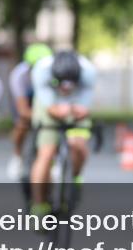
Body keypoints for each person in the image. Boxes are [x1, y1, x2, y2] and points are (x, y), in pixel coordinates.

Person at [28, 50, 97, 217]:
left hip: (76, 101)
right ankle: (39, 206)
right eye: (60, 84)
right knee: (46, 152)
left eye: (69, 85)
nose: (65, 89)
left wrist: (77, 112)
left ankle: (74, 177)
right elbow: (50, 108)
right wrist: (59, 111)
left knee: (78, 144)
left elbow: (84, 108)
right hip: (49, 104)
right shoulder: (41, 71)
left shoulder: (89, 72)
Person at [7, 43, 53, 180]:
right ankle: (17, 156)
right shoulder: (19, 76)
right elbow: (23, 109)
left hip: (46, 99)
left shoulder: (53, 73)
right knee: (21, 123)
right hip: (27, 97)